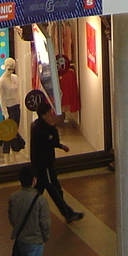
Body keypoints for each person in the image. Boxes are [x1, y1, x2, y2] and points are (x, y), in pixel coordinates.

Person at [29, 93, 84, 223]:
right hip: (44, 165)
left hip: (42, 164)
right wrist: (58, 141)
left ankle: (29, 213)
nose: (52, 115)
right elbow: (52, 140)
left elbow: (53, 139)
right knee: (53, 189)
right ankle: (67, 213)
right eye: (49, 113)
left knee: (40, 190)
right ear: (43, 116)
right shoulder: (40, 128)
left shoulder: (37, 126)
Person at [7, 166, 50, 256]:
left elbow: (12, 218)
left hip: (20, 239)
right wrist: (45, 237)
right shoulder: (41, 200)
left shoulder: (13, 197)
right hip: (36, 240)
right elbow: (45, 223)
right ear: (34, 180)